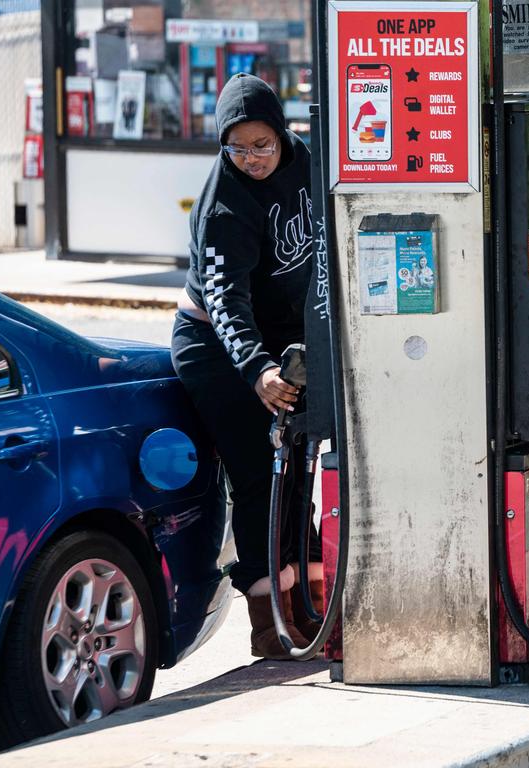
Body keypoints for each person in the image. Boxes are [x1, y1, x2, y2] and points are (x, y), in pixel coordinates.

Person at [171, 73, 321, 660]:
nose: (251, 159)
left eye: (261, 145)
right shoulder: (222, 206)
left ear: (282, 134)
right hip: (219, 349)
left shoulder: (306, 161)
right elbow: (224, 300)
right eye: (236, 147)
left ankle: (309, 600)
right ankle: (272, 622)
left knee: (300, 468)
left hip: (285, 341)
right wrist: (258, 369)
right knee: (261, 473)